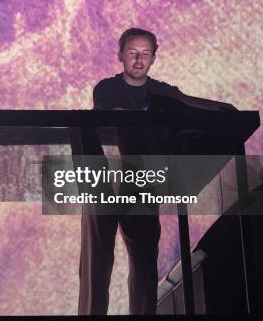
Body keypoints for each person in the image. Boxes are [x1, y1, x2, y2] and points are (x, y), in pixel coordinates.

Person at [78, 28, 185, 315]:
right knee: (97, 260)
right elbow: (114, 113)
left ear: (154, 57)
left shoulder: (163, 91)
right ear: (121, 55)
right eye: (132, 53)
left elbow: (188, 104)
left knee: (145, 263)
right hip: (104, 178)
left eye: (145, 54)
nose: (139, 60)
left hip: (139, 182)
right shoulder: (107, 88)